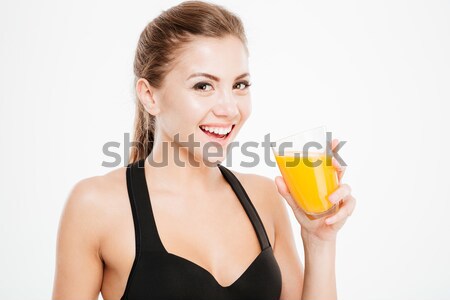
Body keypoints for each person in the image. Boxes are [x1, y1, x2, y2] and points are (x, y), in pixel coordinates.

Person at [52, 1, 356, 299]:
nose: (229, 108)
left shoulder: (264, 198)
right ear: (149, 96)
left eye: (239, 85)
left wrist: (319, 240)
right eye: (203, 86)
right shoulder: (95, 206)